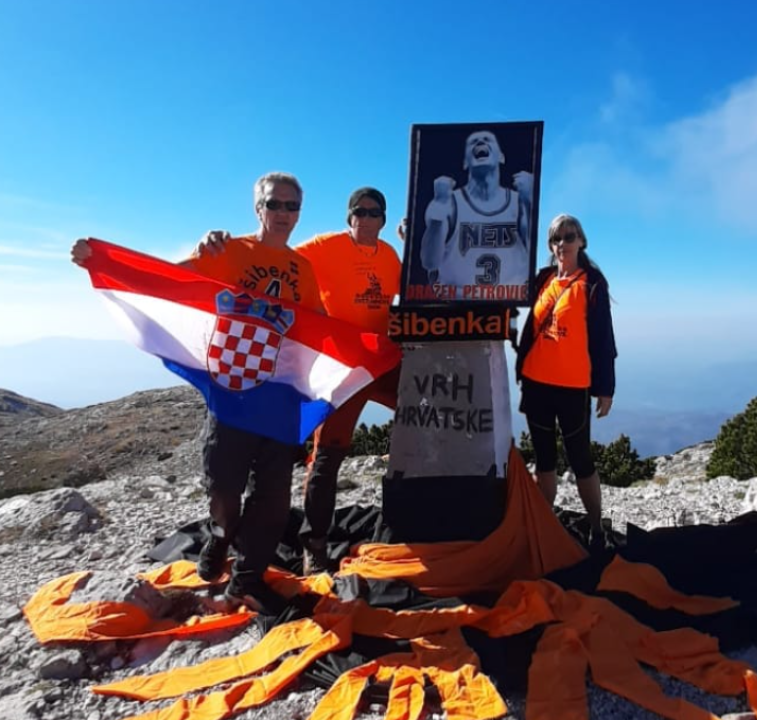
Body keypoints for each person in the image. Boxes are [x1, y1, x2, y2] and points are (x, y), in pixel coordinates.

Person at [71, 171, 322, 615]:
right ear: (258, 208)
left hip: (278, 397)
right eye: (274, 203)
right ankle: (220, 535)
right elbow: (169, 280)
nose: (283, 213)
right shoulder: (228, 251)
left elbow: (318, 328)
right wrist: (104, 264)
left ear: (299, 213)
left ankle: (247, 580)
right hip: (232, 393)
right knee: (224, 487)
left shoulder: (303, 269)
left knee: (273, 500)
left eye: (292, 205)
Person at [195, 187, 401, 575]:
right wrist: (219, 245)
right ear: (349, 216)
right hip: (340, 367)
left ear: (383, 219)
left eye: (374, 213)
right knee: (328, 454)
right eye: (359, 211)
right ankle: (314, 544)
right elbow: (274, 254)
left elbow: (415, 288)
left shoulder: (390, 255)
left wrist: (415, 243)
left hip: (380, 360)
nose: (366, 218)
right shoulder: (323, 247)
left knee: (428, 407)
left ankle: (425, 512)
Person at [514, 213, 616, 542]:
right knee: (544, 460)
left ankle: (597, 529)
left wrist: (605, 388)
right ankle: (543, 531)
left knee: (581, 460)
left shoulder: (592, 283)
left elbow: (603, 338)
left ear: (581, 241)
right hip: (535, 382)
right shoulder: (543, 279)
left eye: (569, 237)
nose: (562, 243)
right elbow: (504, 284)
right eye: (556, 239)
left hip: (573, 386)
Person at [420, 129, 533, 295]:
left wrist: (530, 202)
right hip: (455, 304)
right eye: (473, 141)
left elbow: (533, 253)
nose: (481, 142)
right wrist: (439, 209)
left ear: (501, 157)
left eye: (488, 139)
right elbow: (429, 262)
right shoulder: (448, 201)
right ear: (465, 162)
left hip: (505, 304)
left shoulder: (519, 201)